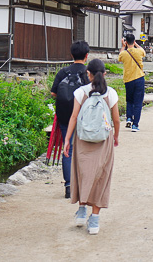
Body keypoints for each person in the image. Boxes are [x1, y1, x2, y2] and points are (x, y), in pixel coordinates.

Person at [64, 58, 120, 235]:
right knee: (101, 176)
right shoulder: (110, 93)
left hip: (83, 139)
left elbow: (73, 117)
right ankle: (94, 220)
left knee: (83, 173)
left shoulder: (81, 92)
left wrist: (67, 140)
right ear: (104, 74)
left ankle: (82, 210)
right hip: (103, 139)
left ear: (88, 74)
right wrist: (116, 136)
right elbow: (116, 119)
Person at [50, 40, 90, 198]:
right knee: (84, 149)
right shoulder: (87, 73)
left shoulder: (63, 72)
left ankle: (68, 186)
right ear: (86, 56)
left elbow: (53, 93)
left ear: (71, 54)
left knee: (68, 149)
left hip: (65, 115)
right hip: (84, 116)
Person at [119, 33, 146, 132]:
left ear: (126, 42)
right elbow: (144, 51)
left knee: (129, 100)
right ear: (134, 41)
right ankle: (135, 125)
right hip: (139, 78)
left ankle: (129, 118)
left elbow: (119, 57)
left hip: (128, 80)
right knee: (138, 102)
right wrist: (136, 44)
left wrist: (123, 46)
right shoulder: (139, 51)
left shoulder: (124, 53)